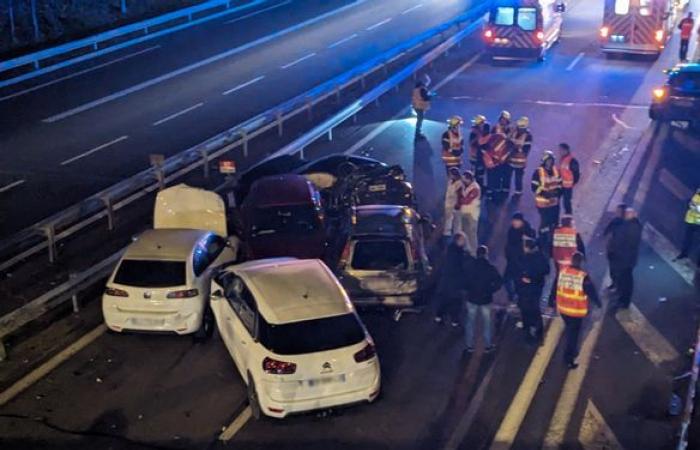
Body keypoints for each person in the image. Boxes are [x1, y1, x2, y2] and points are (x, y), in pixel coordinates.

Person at [556, 252, 600, 369]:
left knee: (570, 331)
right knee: (573, 336)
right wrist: (598, 303)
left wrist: (552, 302)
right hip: (575, 311)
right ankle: (568, 358)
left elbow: (557, 286)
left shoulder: (563, 272)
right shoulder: (583, 276)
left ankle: (570, 352)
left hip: (563, 308)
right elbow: (591, 291)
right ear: (580, 262)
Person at [465, 245, 503, 353]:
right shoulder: (490, 268)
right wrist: (490, 290)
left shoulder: (470, 266)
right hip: (486, 299)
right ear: (486, 255)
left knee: (470, 322)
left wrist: (468, 290)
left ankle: (469, 345)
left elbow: (464, 280)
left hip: (471, 298)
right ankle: (487, 345)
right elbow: (499, 282)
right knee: (487, 323)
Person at [434, 232, 473, 326]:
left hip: (447, 281)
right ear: (458, 241)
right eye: (462, 240)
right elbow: (462, 266)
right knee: (456, 301)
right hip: (455, 282)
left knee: (445, 299)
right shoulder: (460, 253)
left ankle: (439, 316)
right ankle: (454, 320)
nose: (464, 242)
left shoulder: (450, 251)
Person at [516, 238, 550, 343]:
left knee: (526, 310)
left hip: (528, 288)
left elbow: (520, 270)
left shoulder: (526, 258)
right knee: (535, 309)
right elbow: (546, 270)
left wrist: (528, 278)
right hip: (536, 287)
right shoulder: (541, 256)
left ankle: (528, 334)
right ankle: (538, 334)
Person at [608, 208, 642, 310]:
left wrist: (615, 250)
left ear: (633, 215)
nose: (625, 215)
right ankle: (621, 297)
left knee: (625, 281)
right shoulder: (630, 225)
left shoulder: (632, 228)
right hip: (625, 259)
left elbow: (625, 243)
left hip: (625, 261)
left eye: (627, 213)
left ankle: (624, 301)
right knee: (623, 280)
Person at [531, 151, 562, 246]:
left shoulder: (556, 171)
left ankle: (552, 239)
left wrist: (558, 193)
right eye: (548, 160)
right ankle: (542, 239)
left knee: (554, 222)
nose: (550, 162)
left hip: (554, 202)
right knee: (545, 222)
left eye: (551, 160)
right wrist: (545, 194)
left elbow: (560, 184)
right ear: (544, 161)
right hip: (543, 203)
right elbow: (534, 187)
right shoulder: (538, 172)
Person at [503, 212, 536, 303]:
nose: (514, 223)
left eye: (516, 221)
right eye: (513, 221)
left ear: (521, 221)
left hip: (521, 262)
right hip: (512, 260)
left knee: (519, 282)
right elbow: (509, 244)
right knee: (506, 279)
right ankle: (512, 296)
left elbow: (532, 246)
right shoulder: (511, 230)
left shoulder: (528, 232)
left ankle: (517, 299)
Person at [457, 171, 481, 255]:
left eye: (464, 179)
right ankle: (466, 250)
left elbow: (466, 200)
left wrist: (459, 200)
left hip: (471, 214)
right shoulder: (465, 186)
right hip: (464, 212)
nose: (463, 181)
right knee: (464, 232)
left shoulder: (475, 188)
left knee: (471, 234)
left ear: (469, 179)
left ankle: (473, 253)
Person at [604, 203, 627, 290]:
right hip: (613, 248)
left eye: (618, 211)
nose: (616, 212)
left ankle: (618, 285)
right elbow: (608, 229)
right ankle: (615, 283)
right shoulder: (616, 221)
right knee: (612, 268)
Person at [482, 129, 511, 197]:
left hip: (492, 162)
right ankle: (495, 193)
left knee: (492, 178)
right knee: (496, 178)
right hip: (495, 163)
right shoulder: (503, 140)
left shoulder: (497, 139)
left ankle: (491, 192)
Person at [508, 117, 532, 195]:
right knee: (508, 176)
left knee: (518, 178)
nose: (520, 129)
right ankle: (507, 189)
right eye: (519, 127)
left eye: (522, 128)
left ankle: (518, 191)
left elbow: (526, 150)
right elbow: (508, 141)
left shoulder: (528, 136)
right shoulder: (514, 133)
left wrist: (516, 148)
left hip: (520, 162)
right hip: (510, 160)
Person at [676, 188, 700, 262]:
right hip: (690, 221)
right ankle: (684, 253)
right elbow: (691, 203)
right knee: (687, 239)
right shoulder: (696, 195)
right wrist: (691, 205)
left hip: (698, 222)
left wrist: (695, 207)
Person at [558, 143, 580, 215]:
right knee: (556, 199)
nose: (560, 151)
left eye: (561, 150)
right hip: (561, 184)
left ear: (566, 150)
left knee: (566, 202)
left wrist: (572, 183)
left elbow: (576, 174)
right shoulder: (562, 159)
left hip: (568, 186)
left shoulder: (572, 161)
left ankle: (568, 217)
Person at [468, 115, 490, 187]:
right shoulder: (474, 133)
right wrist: (478, 135)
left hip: (483, 158)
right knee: (474, 174)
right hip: (475, 157)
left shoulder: (485, 132)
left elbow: (486, 143)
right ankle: (474, 188)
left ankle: (480, 187)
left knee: (481, 174)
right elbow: (472, 143)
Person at [442, 167, 463, 242]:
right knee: (448, 221)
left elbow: (460, 195)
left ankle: (457, 237)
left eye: (451, 174)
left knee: (457, 222)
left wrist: (457, 204)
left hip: (455, 206)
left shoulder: (459, 183)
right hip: (448, 205)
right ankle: (446, 235)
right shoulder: (450, 181)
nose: (449, 176)